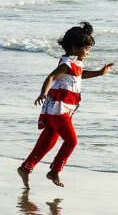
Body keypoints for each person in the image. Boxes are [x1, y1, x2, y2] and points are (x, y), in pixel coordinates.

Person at [17, 22, 113, 188]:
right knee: (72, 141)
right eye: (87, 49)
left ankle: (26, 168)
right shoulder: (67, 63)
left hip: (60, 109)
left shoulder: (74, 63)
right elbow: (52, 77)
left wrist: (99, 72)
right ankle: (55, 170)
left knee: (48, 141)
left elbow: (80, 74)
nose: (88, 53)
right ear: (75, 47)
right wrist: (43, 93)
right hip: (58, 110)